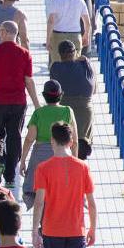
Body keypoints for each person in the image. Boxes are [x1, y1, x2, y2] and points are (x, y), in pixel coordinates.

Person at [0, 20, 40, 187]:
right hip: (18, 102)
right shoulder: (25, 53)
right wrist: (37, 104)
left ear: (5, 32)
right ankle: (10, 176)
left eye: (0, 31)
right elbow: (29, 81)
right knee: (14, 136)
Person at [19, 80, 76, 210]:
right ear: (61, 95)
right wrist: (75, 160)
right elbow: (75, 140)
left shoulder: (38, 113)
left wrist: (22, 161)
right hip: (63, 153)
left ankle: (42, 222)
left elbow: (29, 139)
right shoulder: (68, 111)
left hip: (40, 155)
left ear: (44, 95)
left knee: (39, 189)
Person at [49, 40, 96, 159]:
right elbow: (94, 89)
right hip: (85, 110)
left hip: (64, 110)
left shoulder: (55, 67)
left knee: (64, 144)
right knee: (82, 148)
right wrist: (86, 61)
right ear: (74, 52)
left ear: (59, 54)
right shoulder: (86, 66)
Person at [46, 0, 91, 66]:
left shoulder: (55, 1)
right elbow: (87, 22)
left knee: (56, 65)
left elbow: (51, 21)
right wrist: (86, 35)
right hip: (75, 35)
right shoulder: (80, 0)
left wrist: (48, 38)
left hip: (57, 35)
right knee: (74, 65)